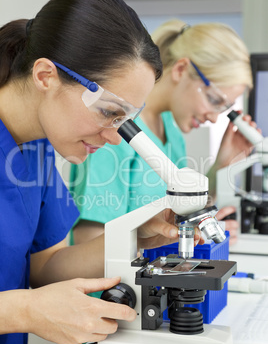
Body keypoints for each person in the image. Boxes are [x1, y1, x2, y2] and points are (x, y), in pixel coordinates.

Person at [0, 0, 191, 344]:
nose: (111, 137)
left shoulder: (36, 151)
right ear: (45, 75)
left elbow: (44, 265)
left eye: (123, 121)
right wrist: (22, 310)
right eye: (108, 112)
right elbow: (27, 298)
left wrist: (133, 234)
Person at [70, 19, 255, 247]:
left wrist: (221, 164)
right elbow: (87, 240)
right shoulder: (115, 131)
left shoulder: (171, 132)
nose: (214, 118)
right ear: (180, 70)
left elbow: (177, 214)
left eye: (222, 107)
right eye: (214, 100)